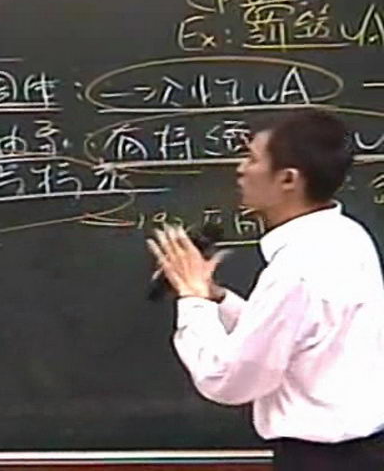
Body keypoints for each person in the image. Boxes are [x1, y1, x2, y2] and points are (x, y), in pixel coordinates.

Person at [146, 110, 384, 471]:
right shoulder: (348, 236)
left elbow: (229, 379)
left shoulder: (296, 268)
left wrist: (193, 300)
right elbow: (297, 337)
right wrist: (217, 299)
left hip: (321, 460)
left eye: (253, 159)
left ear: (288, 179)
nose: (241, 170)